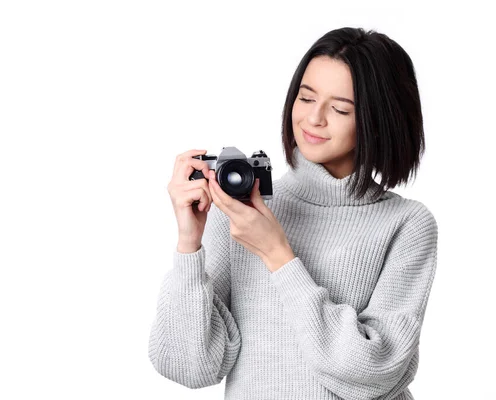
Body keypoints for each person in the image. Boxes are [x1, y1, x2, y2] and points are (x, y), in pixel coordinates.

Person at [148, 26, 438, 400]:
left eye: (339, 109)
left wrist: (278, 255)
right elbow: (189, 367)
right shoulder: (241, 208)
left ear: (380, 121)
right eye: (305, 98)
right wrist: (189, 245)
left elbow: (374, 370)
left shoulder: (407, 225)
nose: (314, 119)